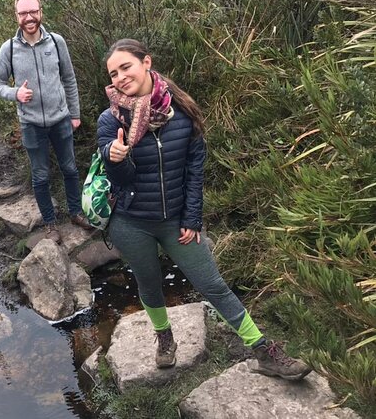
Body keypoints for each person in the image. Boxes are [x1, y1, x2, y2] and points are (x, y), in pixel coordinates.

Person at [98, 38, 311, 380]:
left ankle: (264, 351)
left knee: (213, 285)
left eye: (126, 67)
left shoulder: (182, 113)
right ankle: (164, 337)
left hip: (176, 221)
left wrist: (192, 217)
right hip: (131, 221)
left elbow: (195, 169)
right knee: (149, 284)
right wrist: (116, 157)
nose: (121, 77)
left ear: (147, 62)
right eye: (113, 73)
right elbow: (119, 180)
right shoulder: (110, 120)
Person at [0, 0, 92, 244]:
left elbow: (69, 79)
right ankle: (49, 224)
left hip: (61, 120)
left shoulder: (57, 42)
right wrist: (16, 93)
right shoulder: (9, 48)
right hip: (31, 124)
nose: (29, 17)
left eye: (33, 11)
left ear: (40, 12)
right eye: (23, 13)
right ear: (16, 16)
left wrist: (75, 113)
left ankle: (76, 213)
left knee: (70, 168)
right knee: (41, 176)